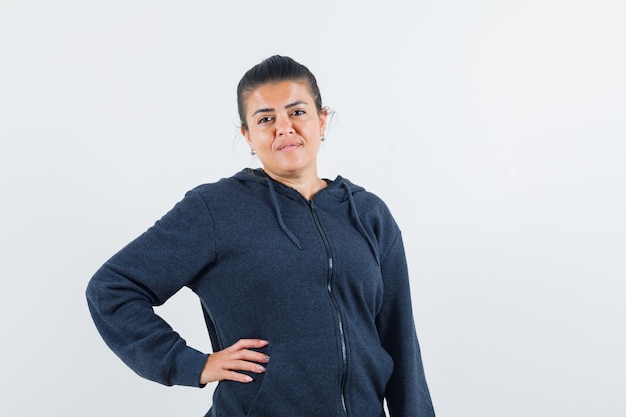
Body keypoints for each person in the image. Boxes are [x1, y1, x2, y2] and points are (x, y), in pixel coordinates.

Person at [86, 55, 435, 417]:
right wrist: (191, 364)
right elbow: (112, 288)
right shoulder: (215, 209)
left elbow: (400, 339)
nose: (284, 128)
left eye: (297, 112)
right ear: (248, 135)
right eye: (266, 118)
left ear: (322, 120)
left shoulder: (368, 214)